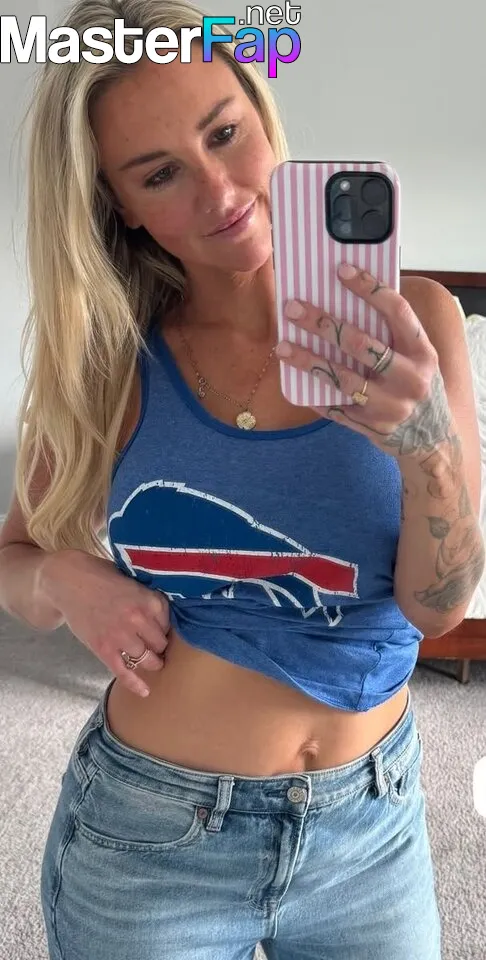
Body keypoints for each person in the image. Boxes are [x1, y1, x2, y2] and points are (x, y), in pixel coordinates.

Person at [0, 1, 483, 957]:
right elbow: (13, 554)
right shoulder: (109, 358)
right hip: (151, 839)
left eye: (224, 133)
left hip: (372, 828)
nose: (220, 191)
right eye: (160, 173)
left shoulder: (419, 324)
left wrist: (427, 445)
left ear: (262, 114)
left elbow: (440, 611)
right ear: (120, 206)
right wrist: (61, 576)